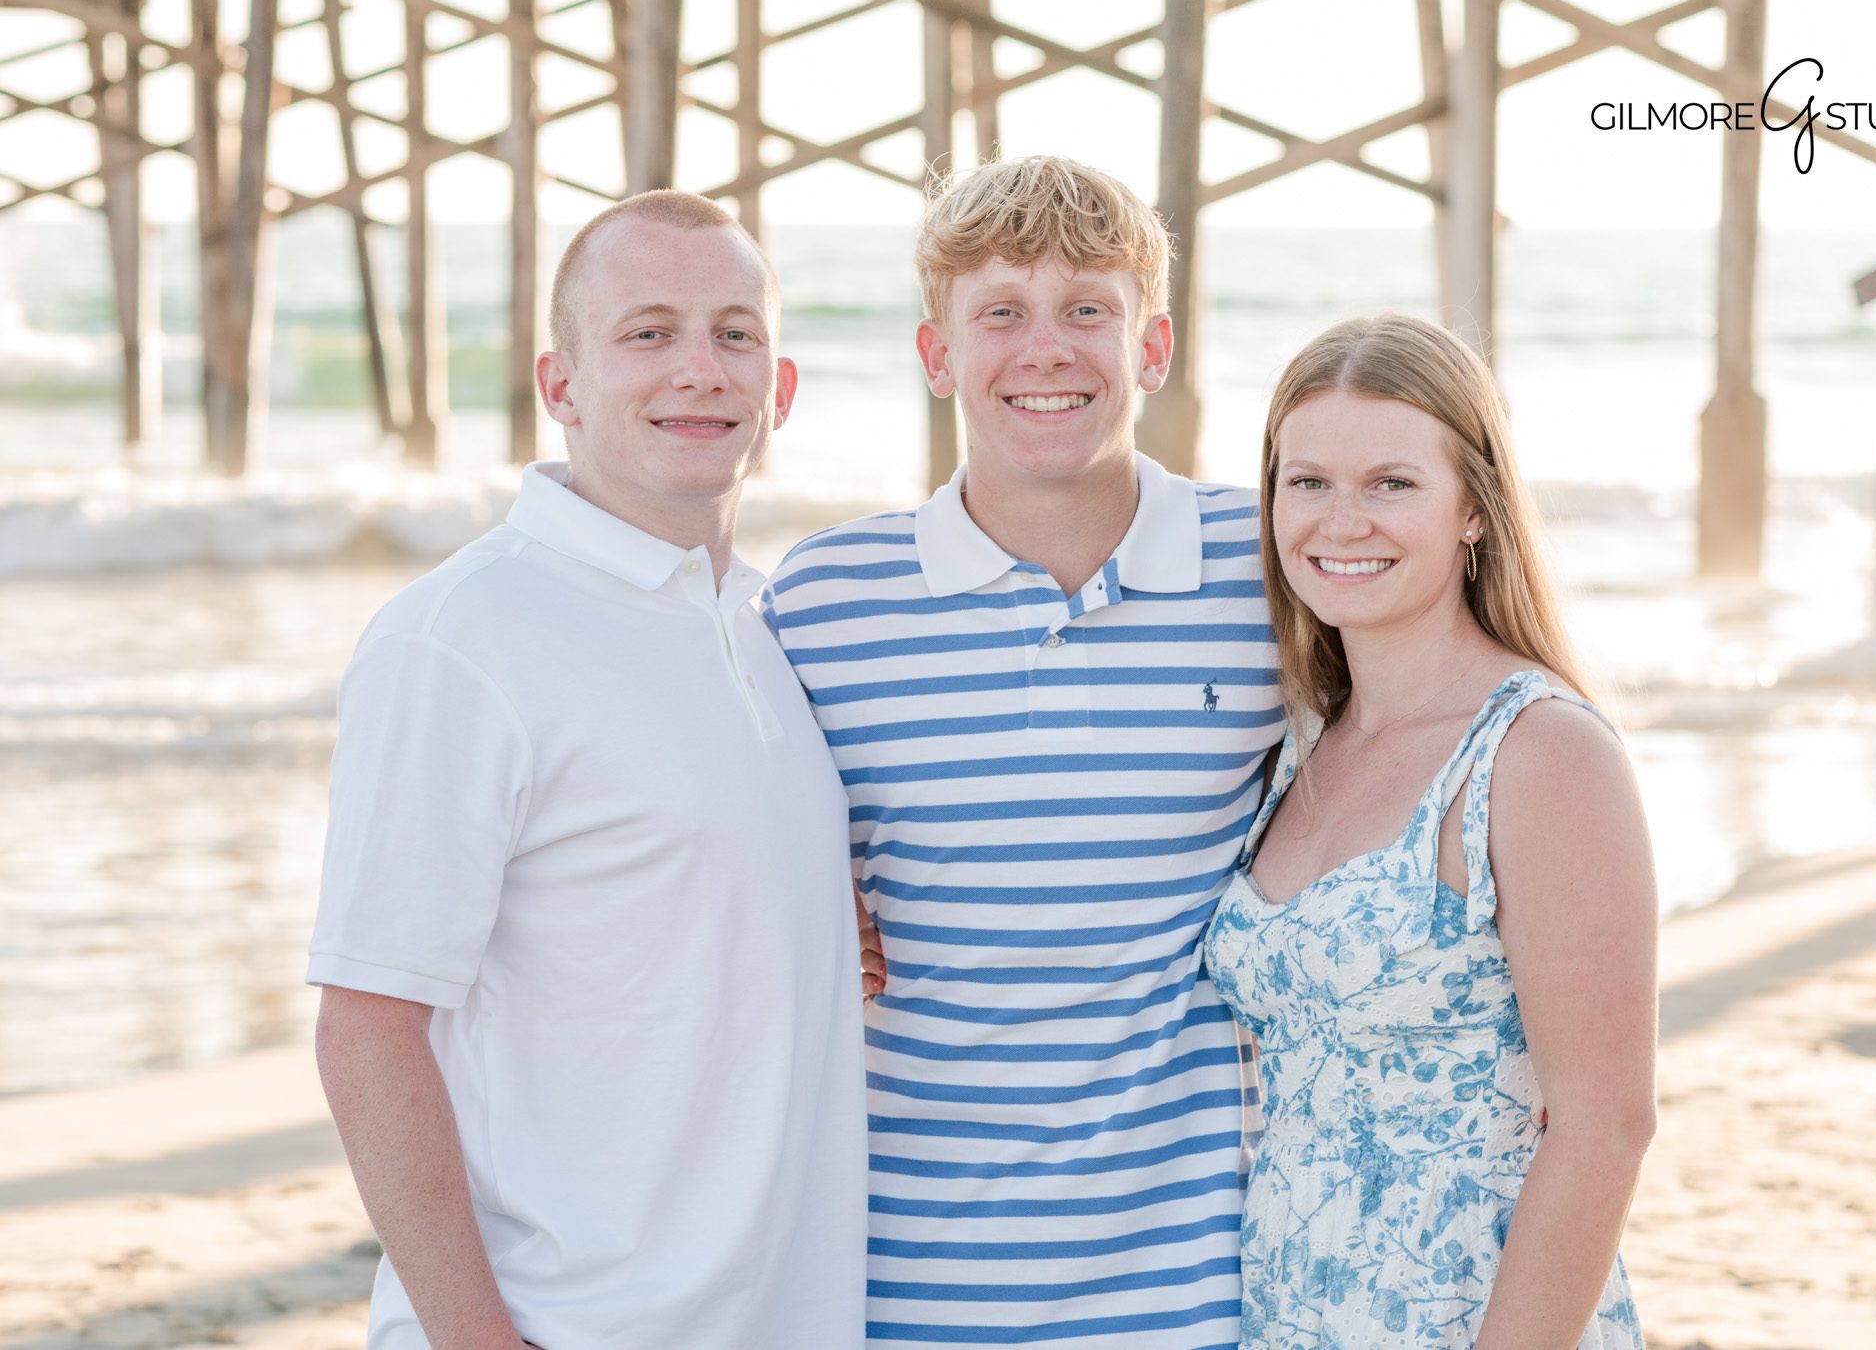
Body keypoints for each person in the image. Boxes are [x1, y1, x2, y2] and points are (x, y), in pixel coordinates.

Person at [308, 190, 871, 1350]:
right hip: (559, 1324)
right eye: (647, 331)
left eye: (734, 332)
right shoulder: (460, 637)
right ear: (560, 384)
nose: (699, 369)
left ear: (783, 387)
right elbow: (367, 1023)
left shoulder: (772, 624)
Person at [763, 156, 1285, 1346]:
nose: (1043, 348)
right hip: (898, 1282)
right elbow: (701, 835)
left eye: (1086, 310)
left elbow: (1412, 753)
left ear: (1150, 349)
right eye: (999, 311)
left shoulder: (1268, 571)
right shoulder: (821, 604)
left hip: (1198, 1292)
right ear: (936, 353)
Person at [1202, 313, 1657, 1349]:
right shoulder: (1300, 740)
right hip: (1291, 1318)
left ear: (1473, 511)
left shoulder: (1537, 752)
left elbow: (1605, 1124)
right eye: (1304, 480)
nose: (1339, 520)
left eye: (1390, 483)